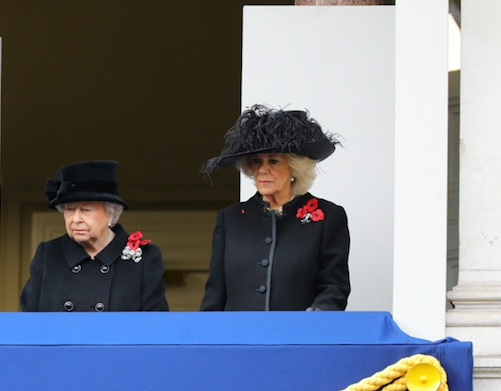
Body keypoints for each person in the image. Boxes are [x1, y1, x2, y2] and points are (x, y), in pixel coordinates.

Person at [200, 104, 350, 311]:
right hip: (239, 339)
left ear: (294, 167)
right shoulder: (230, 219)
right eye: (256, 161)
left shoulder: (328, 217)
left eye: (273, 161)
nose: (262, 170)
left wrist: (314, 321)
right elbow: (215, 294)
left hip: (297, 338)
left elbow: (334, 287)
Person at [20, 160, 169, 312]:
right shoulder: (48, 255)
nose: (76, 219)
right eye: (70, 209)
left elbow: (156, 326)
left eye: (86, 209)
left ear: (110, 213)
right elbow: (28, 323)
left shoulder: (144, 259)